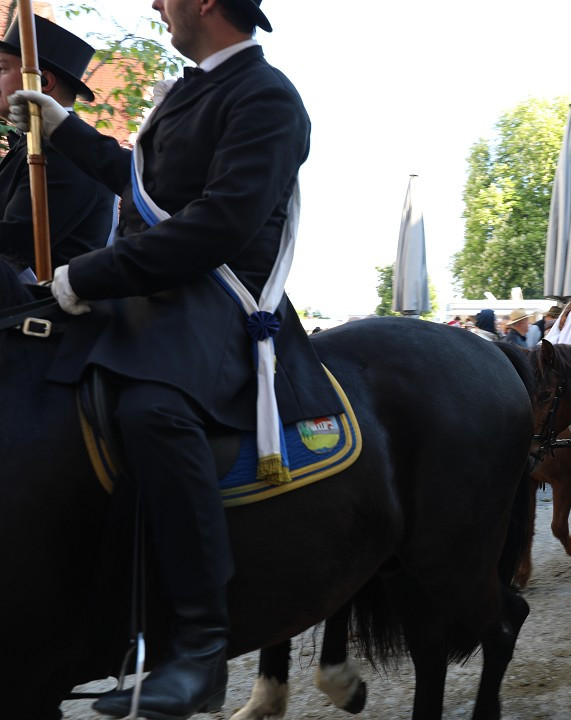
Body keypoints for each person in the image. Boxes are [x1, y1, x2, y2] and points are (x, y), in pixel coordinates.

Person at [9, 1, 342, 717]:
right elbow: (143, 185)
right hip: (155, 295)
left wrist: (87, 274)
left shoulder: (268, 96)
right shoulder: (193, 89)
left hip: (218, 302)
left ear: (207, 2)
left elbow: (220, 225)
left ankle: (197, 646)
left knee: (150, 409)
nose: (158, 5)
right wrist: (65, 132)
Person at [0, 16, 114, 277]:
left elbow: (14, 248)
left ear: (43, 82)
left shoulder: (65, 152)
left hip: (41, 313)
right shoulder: (31, 142)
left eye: (2, 68)